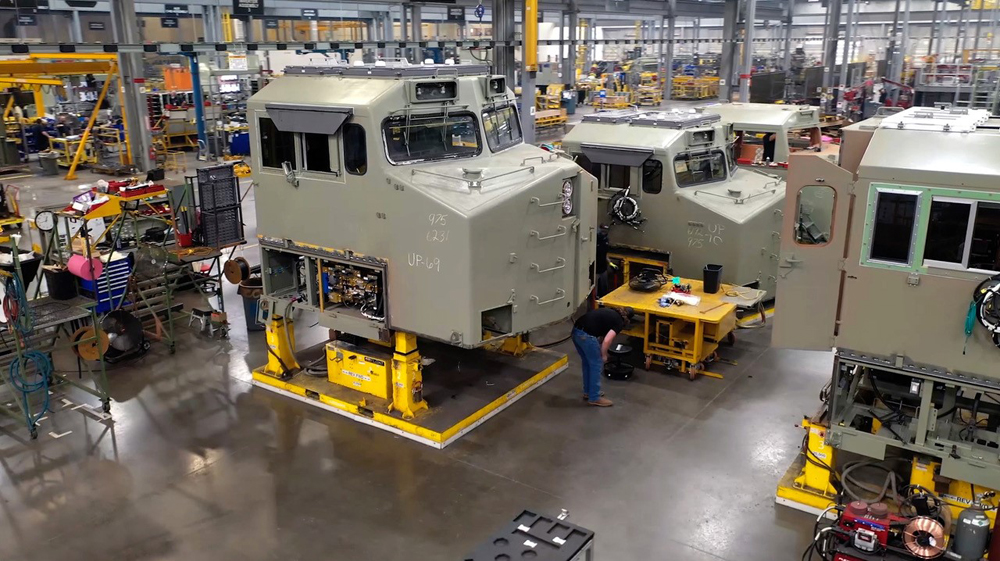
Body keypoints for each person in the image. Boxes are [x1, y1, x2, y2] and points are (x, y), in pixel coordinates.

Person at [572, 306, 632, 407]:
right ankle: (594, 397)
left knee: (587, 363)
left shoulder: (610, 311)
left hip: (576, 332)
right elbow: (607, 340)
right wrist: (604, 355)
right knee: (596, 364)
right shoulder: (619, 322)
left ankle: (588, 392)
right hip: (586, 336)